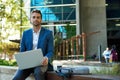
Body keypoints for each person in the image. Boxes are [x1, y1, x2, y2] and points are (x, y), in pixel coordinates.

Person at [12, 9, 54, 80]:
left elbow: (51, 51)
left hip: (41, 63)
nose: (36, 19)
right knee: (16, 78)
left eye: (38, 17)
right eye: (33, 17)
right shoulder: (25, 33)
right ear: (30, 19)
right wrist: (21, 60)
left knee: (38, 72)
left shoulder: (48, 33)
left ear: (41, 19)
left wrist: (46, 58)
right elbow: (22, 50)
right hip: (28, 63)